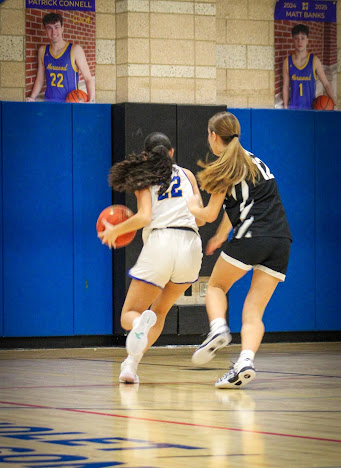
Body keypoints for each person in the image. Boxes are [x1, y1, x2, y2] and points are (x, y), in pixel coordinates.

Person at [187, 111, 292, 389]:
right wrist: (221, 236)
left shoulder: (224, 167)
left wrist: (190, 206)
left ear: (213, 135)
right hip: (281, 241)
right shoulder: (256, 162)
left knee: (216, 287)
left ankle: (218, 328)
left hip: (251, 237)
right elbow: (234, 208)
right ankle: (245, 361)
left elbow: (209, 213)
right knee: (254, 311)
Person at [98, 132, 204, 384]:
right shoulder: (188, 175)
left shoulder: (143, 176)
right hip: (191, 246)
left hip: (162, 242)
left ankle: (137, 326)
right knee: (159, 312)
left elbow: (144, 217)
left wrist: (115, 230)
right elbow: (200, 218)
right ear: (171, 152)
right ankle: (130, 366)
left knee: (130, 314)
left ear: (145, 154)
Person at [26, 12, 95, 103]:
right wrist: (32, 97)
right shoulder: (42, 51)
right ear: (45, 31)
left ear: (62, 28)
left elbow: (88, 78)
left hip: (70, 102)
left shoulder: (75, 49)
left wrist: (91, 100)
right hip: (49, 102)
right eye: (49, 28)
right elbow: (40, 78)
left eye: (56, 27)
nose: (53, 32)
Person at [282, 24, 336, 109]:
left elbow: (326, 84)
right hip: (293, 108)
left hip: (310, 108)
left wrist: (335, 103)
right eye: (296, 38)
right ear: (293, 40)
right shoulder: (287, 61)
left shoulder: (314, 61)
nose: (300, 41)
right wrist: (285, 107)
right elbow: (285, 86)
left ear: (307, 40)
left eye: (303, 38)